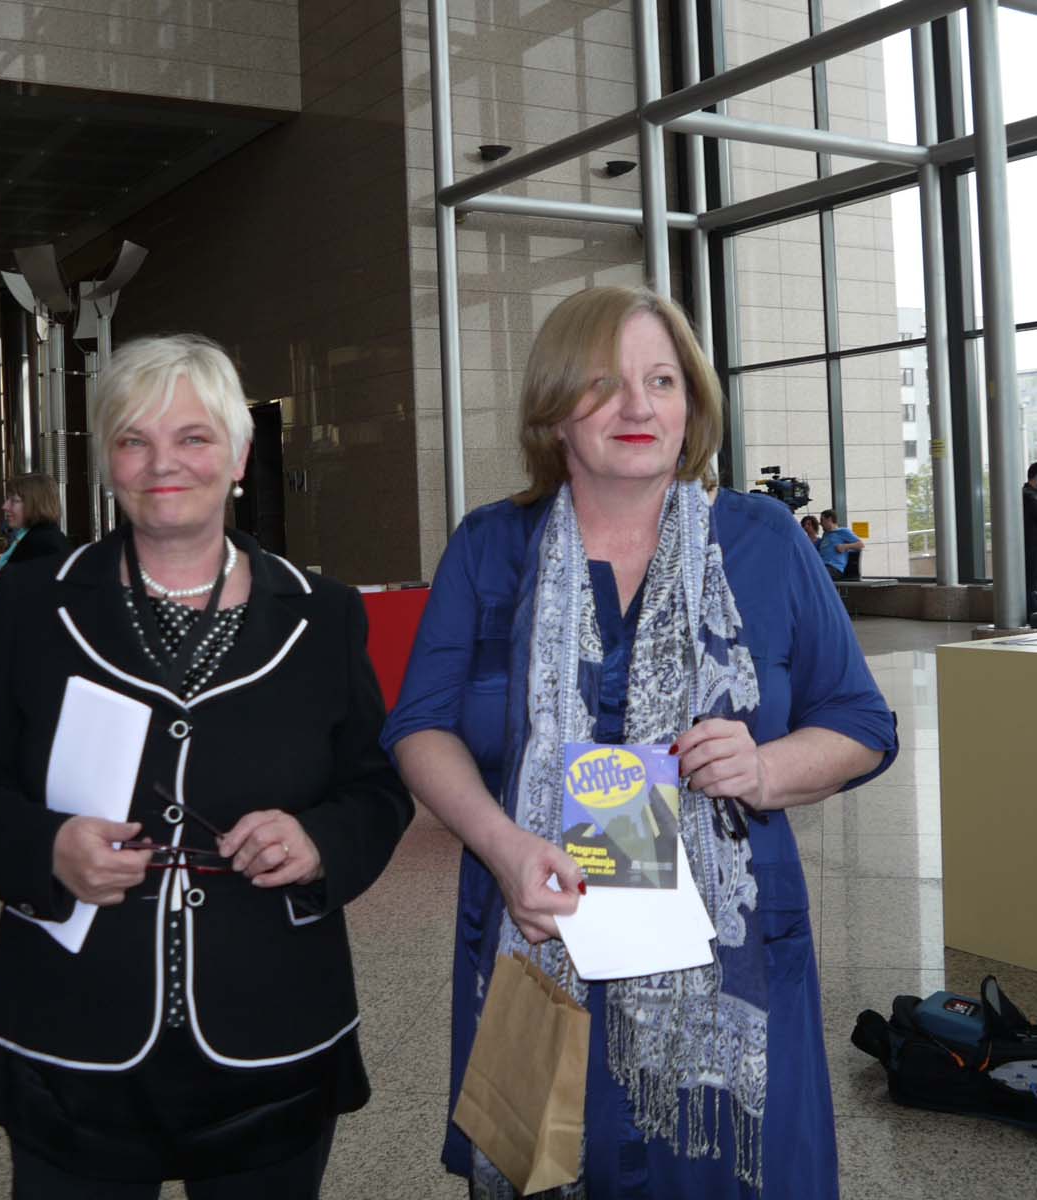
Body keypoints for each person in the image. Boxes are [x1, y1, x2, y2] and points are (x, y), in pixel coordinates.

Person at [382, 286, 898, 1200]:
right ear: (555, 411)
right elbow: (420, 726)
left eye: (662, 381)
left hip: (728, 957)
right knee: (547, 1170)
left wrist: (765, 767)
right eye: (603, 383)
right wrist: (503, 848)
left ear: (692, 404)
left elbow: (862, 723)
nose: (638, 405)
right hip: (538, 925)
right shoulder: (491, 545)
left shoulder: (764, 541)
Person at [0, 333, 413, 1200]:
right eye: (134, 439)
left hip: (273, 1026)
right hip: (74, 1028)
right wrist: (45, 848)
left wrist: (319, 841)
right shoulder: (36, 603)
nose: (162, 464)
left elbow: (376, 788)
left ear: (239, 457)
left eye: (193, 437)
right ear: (107, 461)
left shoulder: (322, 615)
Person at [0, 471, 70, 570]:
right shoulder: (33, 537)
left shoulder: (42, 545)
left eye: (14, 500)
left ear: (36, 504)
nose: (4, 506)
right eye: (7, 499)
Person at [817, 508, 864, 580]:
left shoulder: (843, 531)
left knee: (816, 574)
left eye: (822, 520)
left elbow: (860, 544)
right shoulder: (825, 535)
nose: (820, 523)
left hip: (834, 567)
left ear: (829, 519)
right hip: (822, 566)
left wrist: (845, 546)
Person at [1022, 463, 1037, 619]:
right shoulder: (1029, 496)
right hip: (1031, 548)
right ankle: (1031, 616)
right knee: (1031, 584)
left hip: (1029, 547)